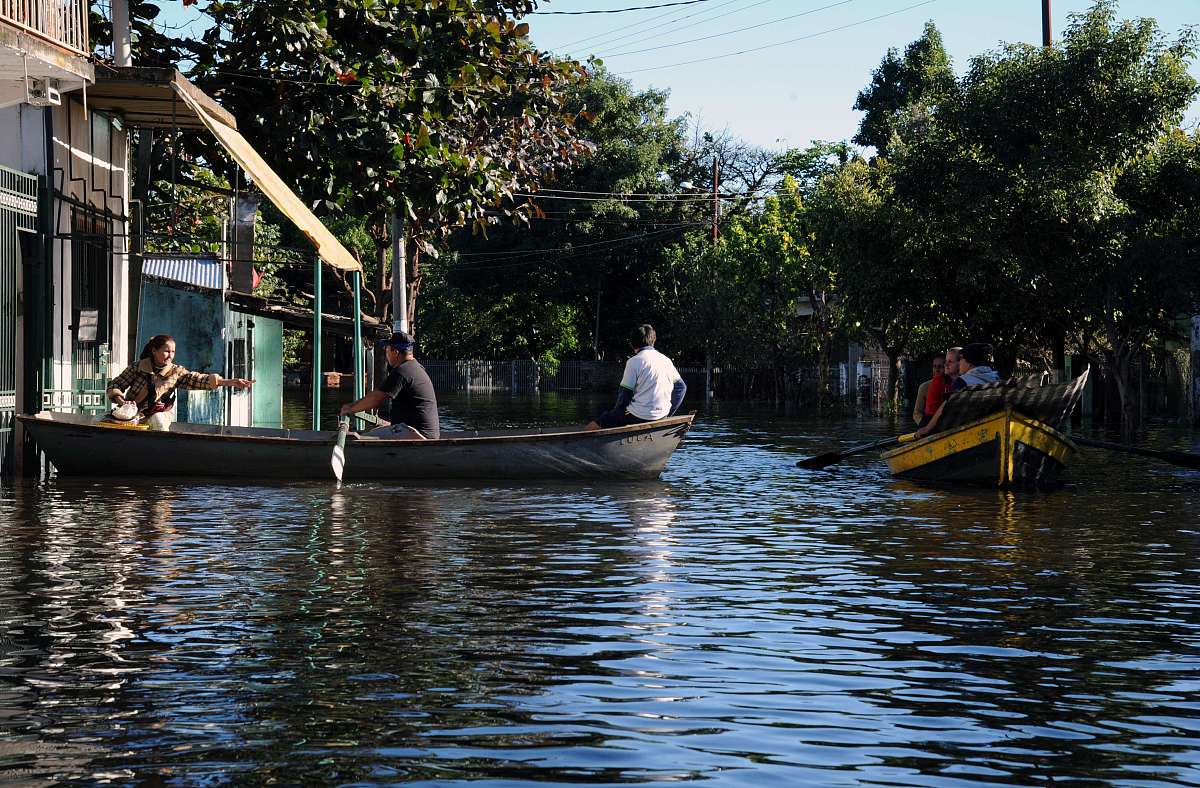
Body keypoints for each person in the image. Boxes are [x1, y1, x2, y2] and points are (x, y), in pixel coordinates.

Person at [106, 334, 252, 427]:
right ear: (154, 351)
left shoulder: (176, 372)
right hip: (129, 414)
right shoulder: (137, 367)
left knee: (159, 422)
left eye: (173, 352)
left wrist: (229, 382)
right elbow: (115, 385)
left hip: (156, 414)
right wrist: (123, 403)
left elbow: (198, 379)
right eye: (166, 351)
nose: (170, 355)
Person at [339, 331, 439, 440]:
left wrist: (350, 409)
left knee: (361, 439)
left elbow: (376, 399)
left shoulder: (402, 371)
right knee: (370, 433)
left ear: (395, 352)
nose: (386, 354)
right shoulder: (416, 367)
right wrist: (352, 406)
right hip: (422, 433)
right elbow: (377, 394)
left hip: (416, 434)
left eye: (387, 350)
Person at [586, 324, 687, 431]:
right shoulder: (666, 360)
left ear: (632, 343)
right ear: (653, 340)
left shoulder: (634, 362)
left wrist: (616, 415)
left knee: (597, 423)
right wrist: (669, 412)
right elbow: (681, 388)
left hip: (638, 416)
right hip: (662, 414)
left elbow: (624, 395)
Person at [915, 342, 1000, 438]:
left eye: (961, 359)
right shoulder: (996, 377)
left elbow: (945, 407)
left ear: (970, 363)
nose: (960, 364)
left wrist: (927, 429)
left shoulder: (962, 381)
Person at [921, 346, 961, 428]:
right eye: (946, 361)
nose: (946, 364)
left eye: (950, 361)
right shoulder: (937, 382)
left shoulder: (965, 380)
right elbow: (930, 414)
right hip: (934, 424)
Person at [913, 355, 945, 426]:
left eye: (940, 366)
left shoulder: (951, 384)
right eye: (934, 366)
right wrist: (925, 426)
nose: (937, 370)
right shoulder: (924, 387)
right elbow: (917, 413)